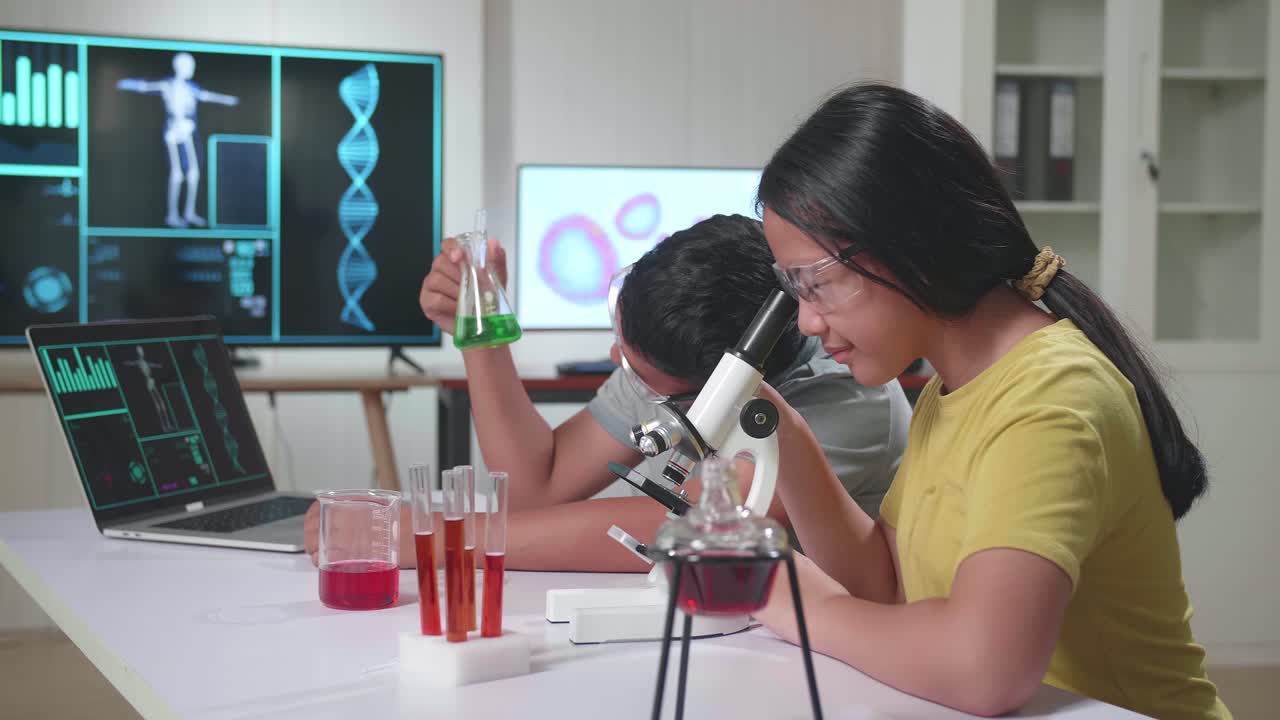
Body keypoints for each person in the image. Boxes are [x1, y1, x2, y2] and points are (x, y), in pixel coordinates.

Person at [748, 84, 1230, 720]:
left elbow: (985, 670)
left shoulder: (1052, 399)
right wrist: (779, 429)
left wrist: (797, 604)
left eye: (818, 284)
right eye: (794, 290)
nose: (807, 322)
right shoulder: (953, 391)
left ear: (909, 245)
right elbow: (887, 584)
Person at [305, 214, 911, 571]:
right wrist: (482, 332)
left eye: (639, 374)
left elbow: (675, 526)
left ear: (720, 390)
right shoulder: (673, 344)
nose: (620, 365)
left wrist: (418, 536)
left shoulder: (851, 405)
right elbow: (537, 488)